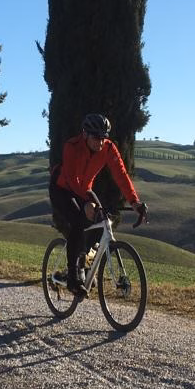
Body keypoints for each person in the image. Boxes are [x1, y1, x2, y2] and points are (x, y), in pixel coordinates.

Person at [49, 113, 147, 298]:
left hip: (84, 190)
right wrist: (87, 202)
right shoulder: (72, 146)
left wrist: (135, 202)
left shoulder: (109, 149)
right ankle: (72, 276)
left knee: (100, 219)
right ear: (85, 134)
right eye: (96, 138)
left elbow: (121, 176)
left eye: (104, 138)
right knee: (78, 222)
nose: (100, 143)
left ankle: (83, 263)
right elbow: (71, 179)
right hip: (62, 188)